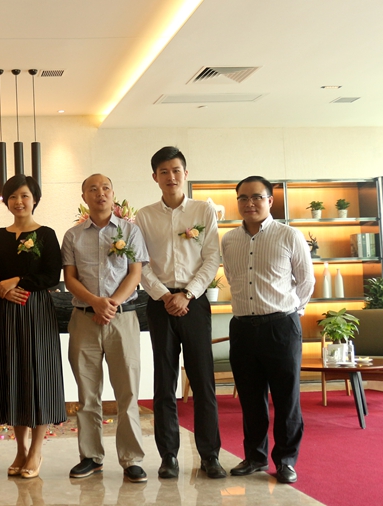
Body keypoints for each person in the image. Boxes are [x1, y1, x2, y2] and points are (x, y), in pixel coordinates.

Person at [135, 147, 226, 480]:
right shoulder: (144, 216)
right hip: (159, 305)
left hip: (195, 302)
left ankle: (210, 456)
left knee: (203, 381)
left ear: (185, 174)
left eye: (176, 170)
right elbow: (140, 263)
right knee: (164, 382)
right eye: (164, 171)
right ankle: (168, 456)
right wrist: (164, 295)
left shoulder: (203, 211)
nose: (170, 177)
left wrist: (187, 294)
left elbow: (212, 257)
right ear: (155, 177)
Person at [222, 176, 314, 484]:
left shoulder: (289, 235)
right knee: (250, 398)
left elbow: (306, 281)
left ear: (270, 201)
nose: (249, 203)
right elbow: (232, 277)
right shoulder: (229, 240)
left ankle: (286, 460)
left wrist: (292, 312)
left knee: (286, 398)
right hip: (242, 328)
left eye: (257, 197)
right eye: (243, 198)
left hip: (280, 326)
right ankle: (255, 457)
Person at [62, 174, 149, 483]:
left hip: (122, 318)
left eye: (106, 188)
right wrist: (95, 303)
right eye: (93, 189)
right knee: (88, 394)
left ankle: (131, 459)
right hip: (84, 319)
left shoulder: (130, 230)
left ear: (113, 194)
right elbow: (70, 278)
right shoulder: (73, 235)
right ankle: (91, 457)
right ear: (84, 197)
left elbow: (135, 273)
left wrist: (110, 304)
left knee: (128, 393)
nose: (100, 193)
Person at [0, 175, 66, 479]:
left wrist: (16, 281)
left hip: (37, 311)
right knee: (14, 377)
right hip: (6, 313)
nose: (19, 202)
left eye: (24, 196)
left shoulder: (46, 234)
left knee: (40, 376)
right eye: (12, 196)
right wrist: (1, 289)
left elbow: (51, 275)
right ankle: (20, 449)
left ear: (35, 199)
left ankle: (36, 450)